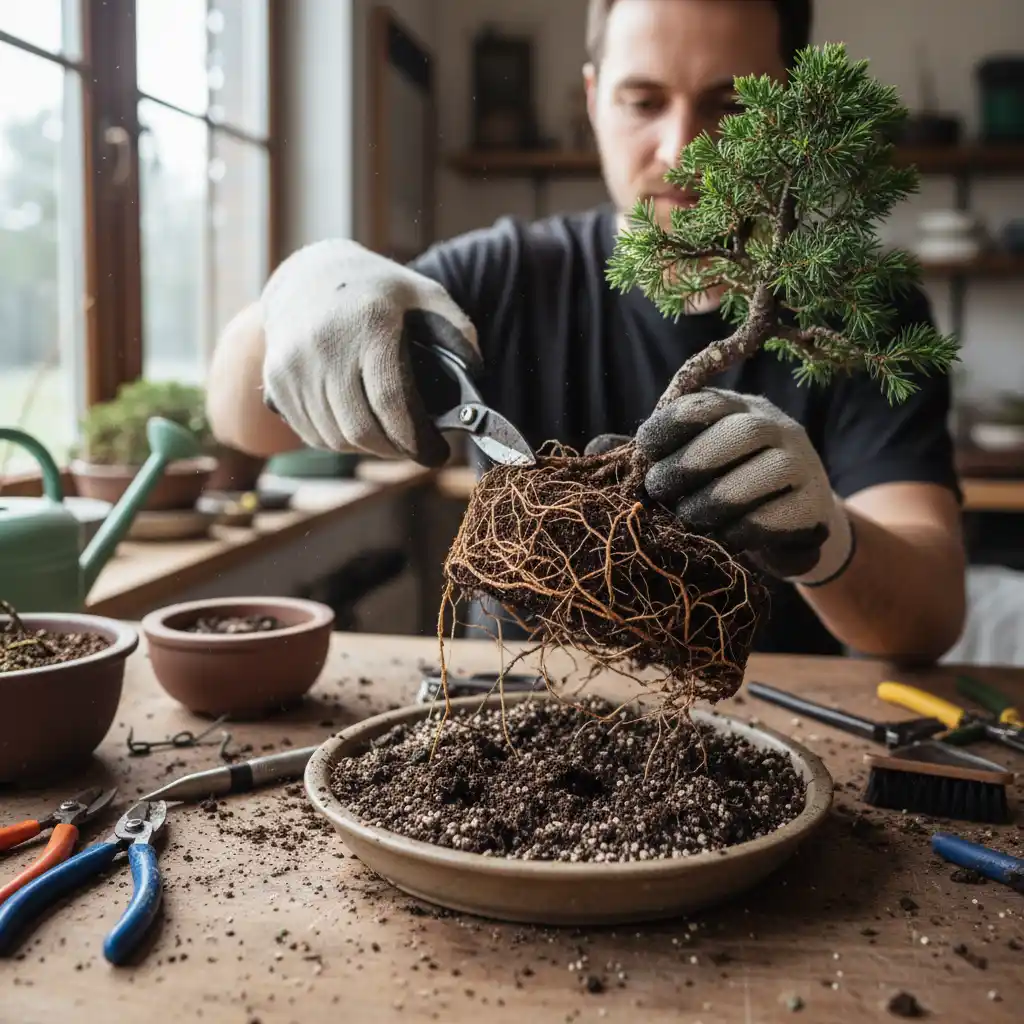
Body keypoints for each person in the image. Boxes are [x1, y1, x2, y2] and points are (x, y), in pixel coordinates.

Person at [206, 0, 966, 662]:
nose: (681, 150)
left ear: (796, 118)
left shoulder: (864, 308)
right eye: (643, 101)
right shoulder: (504, 273)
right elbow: (240, 422)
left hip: (756, 723)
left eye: (730, 107)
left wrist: (828, 535)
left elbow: (930, 617)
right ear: (595, 98)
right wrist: (300, 288)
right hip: (507, 708)